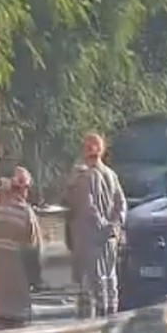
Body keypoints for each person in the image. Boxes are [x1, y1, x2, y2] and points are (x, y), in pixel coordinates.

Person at [64, 133, 127, 318]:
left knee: (91, 282)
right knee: (110, 278)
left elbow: (87, 206)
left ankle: (93, 321)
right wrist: (115, 224)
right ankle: (111, 315)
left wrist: (103, 226)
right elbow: (121, 203)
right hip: (109, 236)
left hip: (90, 236)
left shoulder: (84, 176)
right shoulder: (111, 174)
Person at [0, 167, 43, 329]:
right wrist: (36, 280)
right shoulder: (26, 214)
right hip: (16, 299)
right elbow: (35, 252)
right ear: (24, 190)